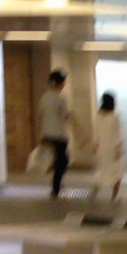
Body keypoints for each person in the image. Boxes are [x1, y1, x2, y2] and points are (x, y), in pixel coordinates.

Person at [38, 70, 77, 199]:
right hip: (59, 134)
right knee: (63, 160)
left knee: (58, 159)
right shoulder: (61, 99)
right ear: (58, 83)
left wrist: (42, 132)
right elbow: (65, 116)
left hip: (47, 133)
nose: (64, 84)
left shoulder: (44, 97)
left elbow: (41, 115)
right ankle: (56, 187)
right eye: (63, 82)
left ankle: (56, 182)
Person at [93, 93, 124, 203]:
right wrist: (119, 148)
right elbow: (118, 134)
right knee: (117, 173)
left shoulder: (98, 116)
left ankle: (95, 190)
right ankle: (114, 196)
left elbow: (96, 132)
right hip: (113, 148)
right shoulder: (115, 117)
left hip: (101, 147)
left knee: (102, 170)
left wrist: (95, 145)